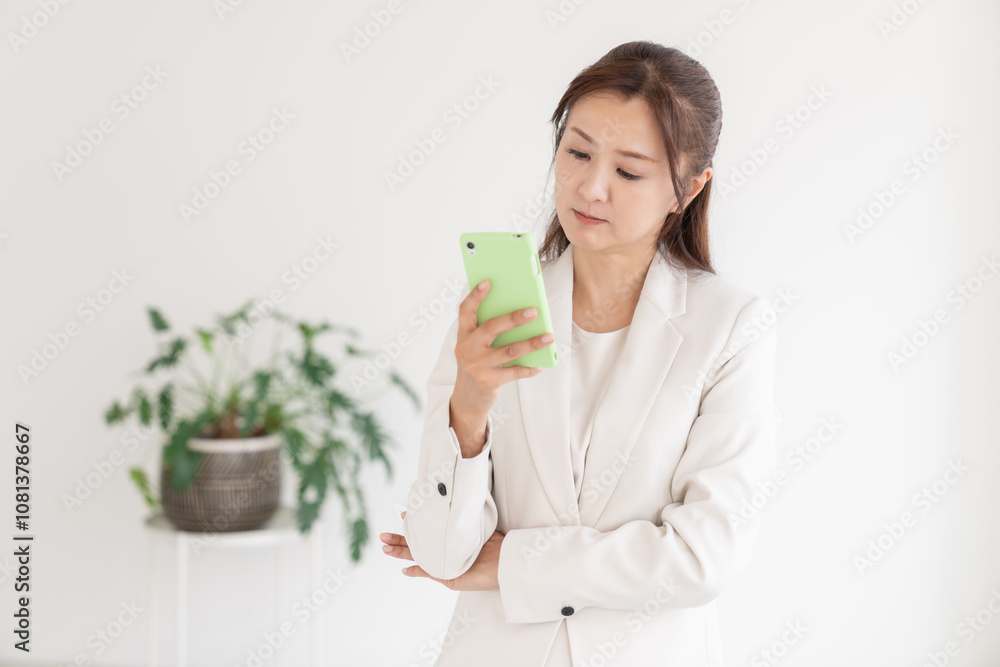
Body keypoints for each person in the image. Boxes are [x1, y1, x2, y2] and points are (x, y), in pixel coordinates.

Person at [380, 40, 779, 666]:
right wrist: (469, 408)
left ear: (688, 188)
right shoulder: (493, 310)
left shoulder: (729, 326)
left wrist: (513, 561)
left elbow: (704, 557)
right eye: (578, 152)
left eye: (629, 172)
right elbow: (441, 555)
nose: (591, 188)